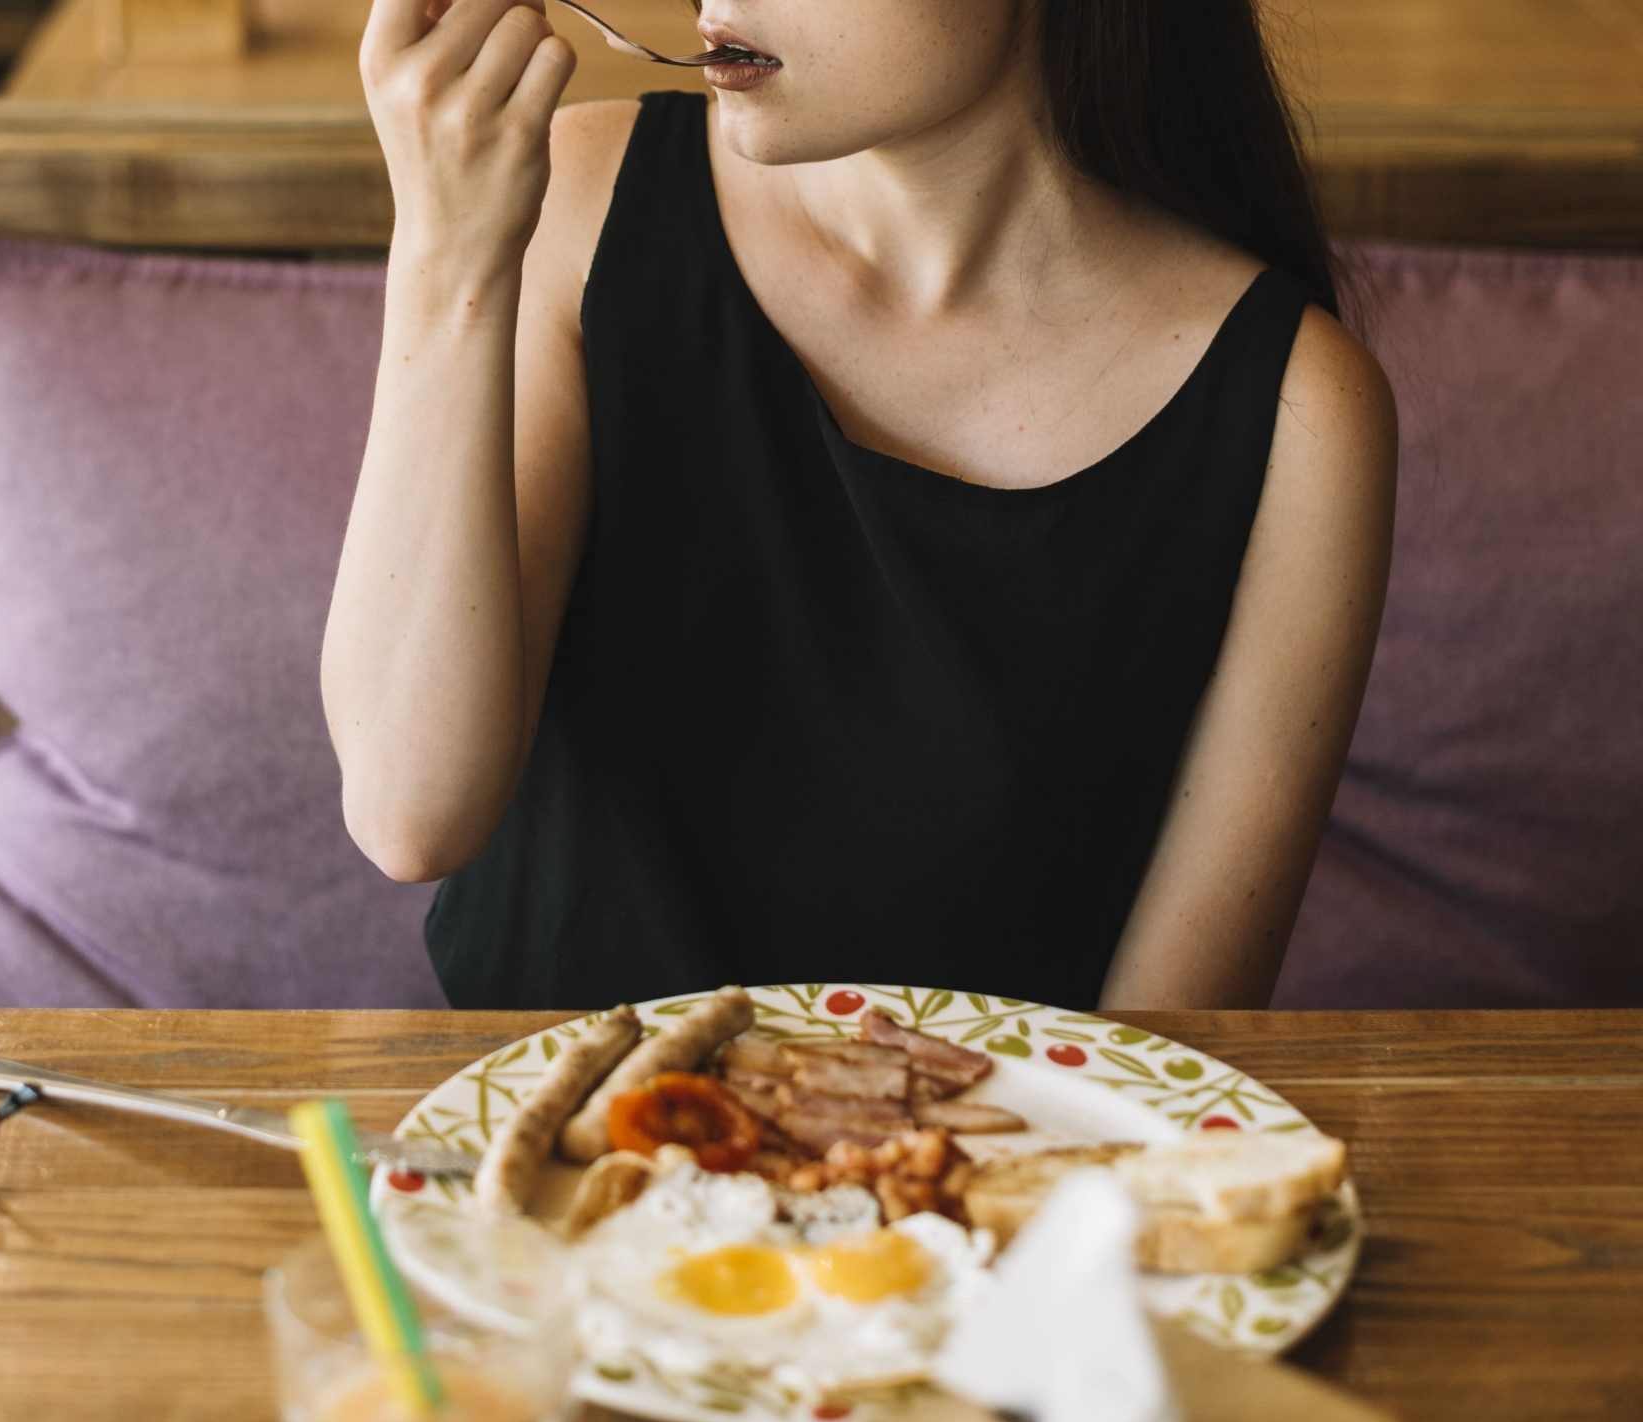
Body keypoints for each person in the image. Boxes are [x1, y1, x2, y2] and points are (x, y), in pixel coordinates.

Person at [318, 0, 1398, 1012]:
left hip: (990, 1199)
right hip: (540, 1182)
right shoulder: (581, 206)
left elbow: (1160, 1074)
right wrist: (445, 248)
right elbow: (410, 811)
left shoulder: (1297, 410)